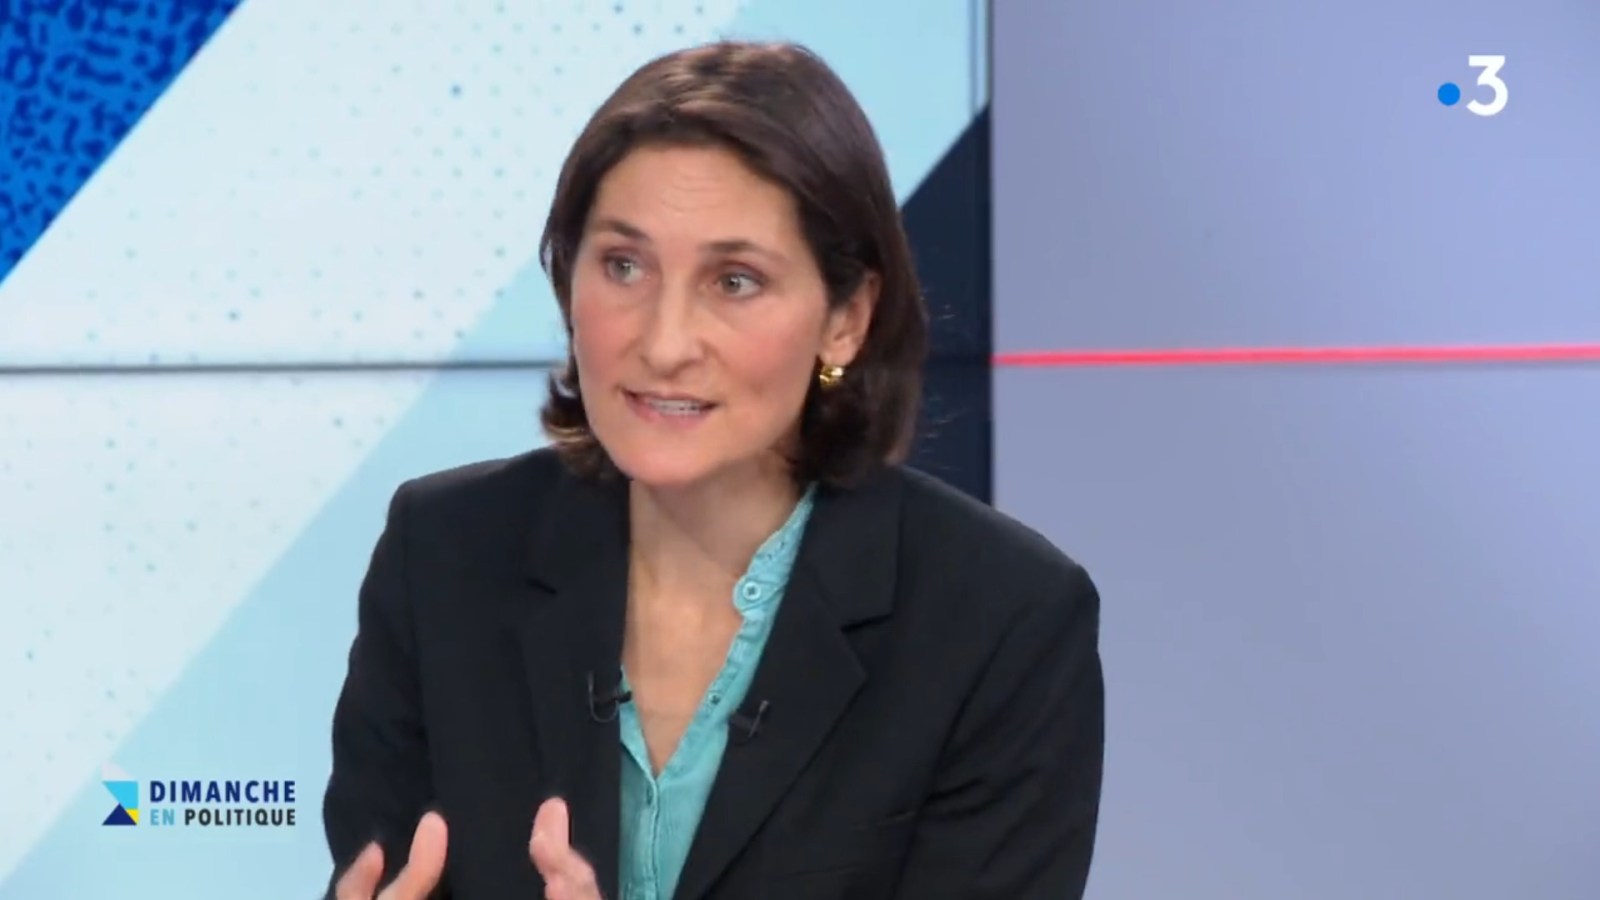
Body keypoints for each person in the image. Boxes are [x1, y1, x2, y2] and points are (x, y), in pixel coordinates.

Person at [322, 39, 1104, 900]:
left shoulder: (1000, 624)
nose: (663, 344)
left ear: (845, 319)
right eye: (623, 266)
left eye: (734, 281)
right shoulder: (444, 558)